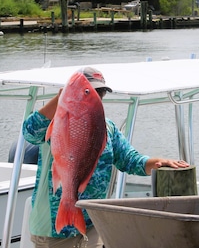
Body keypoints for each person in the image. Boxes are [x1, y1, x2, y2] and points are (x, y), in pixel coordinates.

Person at [23, 67, 189, 248]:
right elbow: (30, 132)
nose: (97, 96)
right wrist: (61, 99)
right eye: (91, 92)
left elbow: (129, 159)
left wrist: (156, 163)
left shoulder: (106, 127)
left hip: (95, 222)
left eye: (100, 92)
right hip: (54, 228)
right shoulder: (57, 120)